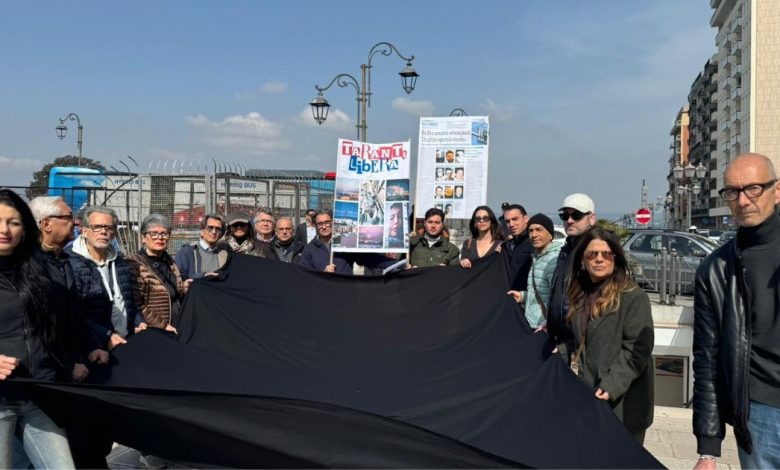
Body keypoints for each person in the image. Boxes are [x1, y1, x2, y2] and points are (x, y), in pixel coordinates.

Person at [692, 153, 780, 470]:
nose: (743, 201)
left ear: (777, 191)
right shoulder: (715, 270)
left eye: (753, 188)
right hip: (760, 415)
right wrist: (708, 450)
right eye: (733, 191)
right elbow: (707, 359)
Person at [0, 189, 78, 468]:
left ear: (24, 229)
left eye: (13, 222)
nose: (4, 230)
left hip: (39, 393)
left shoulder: (35, 269)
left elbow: (63, 319)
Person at [566, 227, 654, 444]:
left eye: (606, 254)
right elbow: (580, 339)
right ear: (582, 260)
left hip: (622, 401)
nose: (599, 259)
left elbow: (638, 348)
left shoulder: (633, 296)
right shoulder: (580, 293)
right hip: (588, 396)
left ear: (615, 258)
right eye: (592, 254)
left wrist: (611, 385)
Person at [29, 196, 108, 378]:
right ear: (46, 224)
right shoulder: (31, 265)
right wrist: (68, 365)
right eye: (68, 217)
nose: (75, 222)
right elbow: (40, 327)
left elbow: (74, 313)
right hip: (45, 373)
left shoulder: (63, 260)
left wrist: (92, 346)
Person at [67, 206, 141, 352]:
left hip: (125, 342)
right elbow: (73, 313)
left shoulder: (120, 261)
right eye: (97, 227)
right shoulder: (71, 263)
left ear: (114, 233)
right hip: (94, 348)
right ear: (84, 230)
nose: (103, 231)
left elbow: (129, 299)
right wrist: (105, 336)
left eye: (109, 227)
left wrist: (139, 321)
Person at [547, 193, 597, 362]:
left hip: (580, 346)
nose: (569, 220)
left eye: (576, 215)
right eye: (565, 215)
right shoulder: (567, 249)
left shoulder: (596, 252)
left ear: (591, 218)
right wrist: (551, 320)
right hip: (561, 339)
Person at [126, 214, 186, 332]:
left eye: (164, 233)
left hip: (177, 326)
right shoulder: (134, 264)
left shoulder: (170, 262)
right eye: (154, 233)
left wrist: (183, 287)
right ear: (143, 238)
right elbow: (136, 304)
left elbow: (173, 293)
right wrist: (162, 325)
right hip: (154, 330)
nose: (160, 238)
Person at [509, 214, 562, 331]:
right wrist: (523, 296)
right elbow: (543, 292)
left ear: (550, 235)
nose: (534, 235)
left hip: (545, 327)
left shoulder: (553, 259)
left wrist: (549, 323)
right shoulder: (538, 256)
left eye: (539, 230)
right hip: (535, 323)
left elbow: (559, 299)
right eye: (531, 231)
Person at [298, 210, 392, 274]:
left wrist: (395, 264)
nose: (324, 226)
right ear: (315, 226)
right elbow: (304, 275)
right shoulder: (309, 249)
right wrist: (323, 274)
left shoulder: (345, 243)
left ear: (333, 223)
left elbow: (369, 258)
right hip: (322, 294)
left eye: (327, 222)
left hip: (345, 292)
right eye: (320, 224)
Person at [175, 213, 229, 281]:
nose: (214, 232)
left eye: (218, 229)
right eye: (210, 228)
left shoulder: (224, 255)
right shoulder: (187, 251)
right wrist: (203, 276)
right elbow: (180, 278)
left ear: (221, 234)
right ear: (202, 231)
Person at [503, 204, 533, 294]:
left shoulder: (534, 242)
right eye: (507, 221)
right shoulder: (509, 243)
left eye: (515, 219)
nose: (511, 224)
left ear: (526, 218)